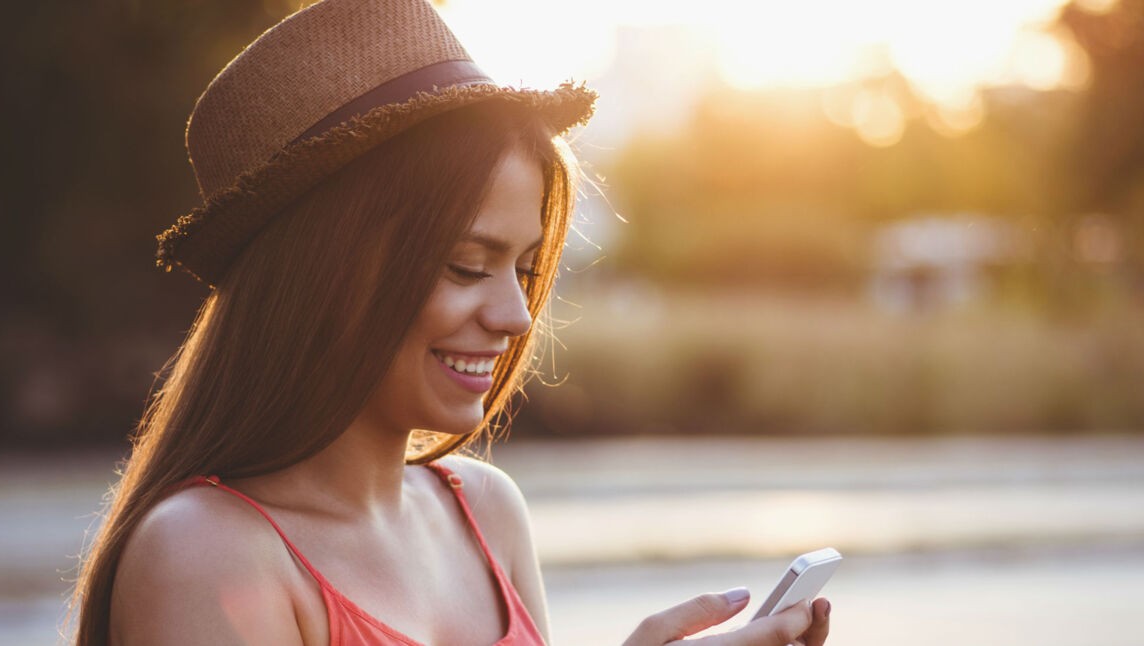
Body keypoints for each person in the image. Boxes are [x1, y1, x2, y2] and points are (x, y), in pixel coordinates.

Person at [71, 1, 832, 644]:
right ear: (321, 274)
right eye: (467, 265)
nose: (514, 315)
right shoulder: (204, 553)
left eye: (527, 269)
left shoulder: (487, 513)